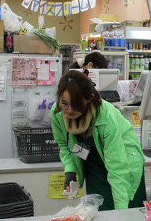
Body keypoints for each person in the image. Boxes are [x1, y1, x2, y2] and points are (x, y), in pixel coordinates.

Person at [50, 69, 146, 211]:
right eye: (64, 103)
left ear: (89, 98)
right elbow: (64, 145)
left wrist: (122, 212)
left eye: (75, 104)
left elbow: (118, 166)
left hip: (124, 161)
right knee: (99, 210)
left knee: (127, 211)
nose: (69, 110)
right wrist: (70, 171)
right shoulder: (58, 113)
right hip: (93, 163)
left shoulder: (106, 118)